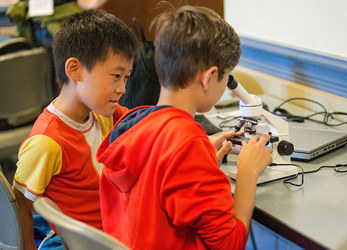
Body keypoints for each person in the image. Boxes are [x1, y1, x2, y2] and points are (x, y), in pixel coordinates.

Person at [97, 4, 272, 250]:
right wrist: (248, 172)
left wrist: (202, 158)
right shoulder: (188, 143)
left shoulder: (134, 122)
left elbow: (158, 177)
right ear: (209, 77)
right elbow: (229, 245)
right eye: (225, 78)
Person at [12, 9, 139, 249]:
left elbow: (145, 129)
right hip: (95, 242)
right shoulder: (47, 141)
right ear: (75, 70)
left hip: (117, 226)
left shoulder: (103, 114)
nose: (122, 88)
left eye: (126, 77)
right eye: (115, 76)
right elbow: (19, 203)